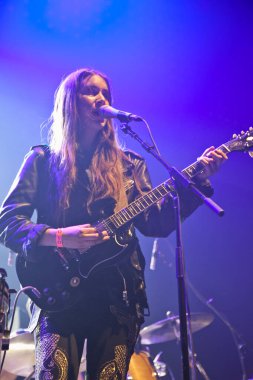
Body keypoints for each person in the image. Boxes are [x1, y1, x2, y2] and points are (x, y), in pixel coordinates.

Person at [0, 68, 227, 380]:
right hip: (58, 297)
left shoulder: (130, 165)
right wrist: (60, 237)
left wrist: (197, 184)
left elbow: (155, 224)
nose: (101, 98)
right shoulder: (42, 160)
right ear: (70, 102)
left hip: (117, 297)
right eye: (91, 92)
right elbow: (8, 222)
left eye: (105, 93)